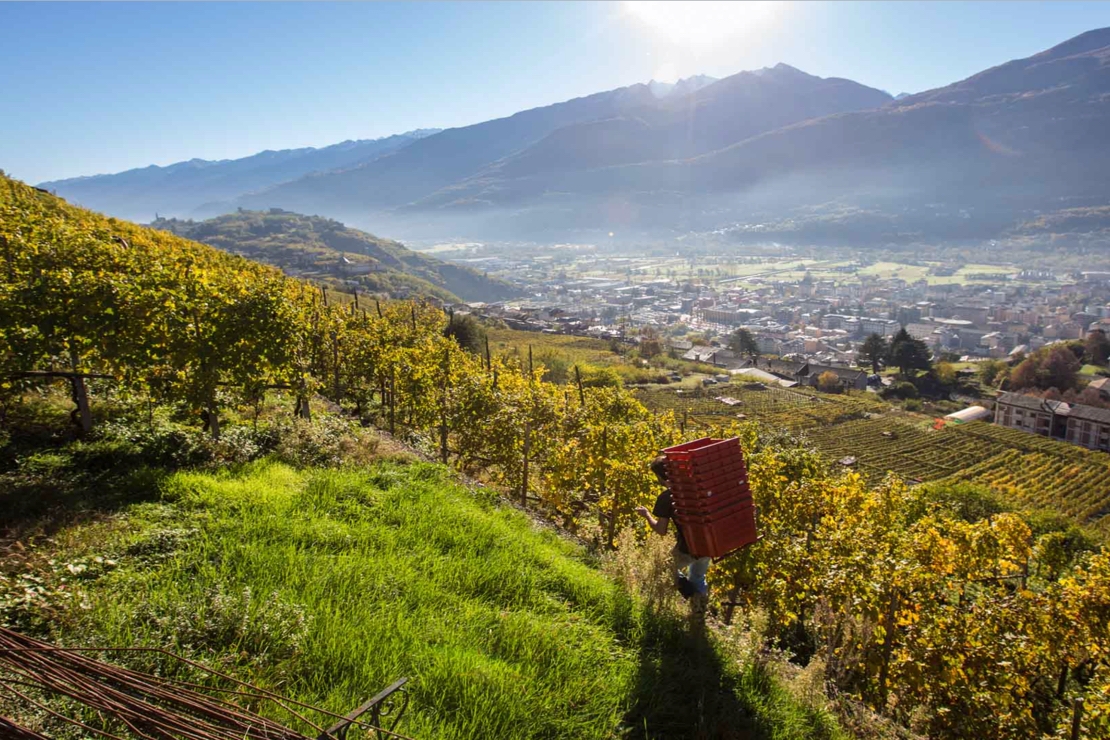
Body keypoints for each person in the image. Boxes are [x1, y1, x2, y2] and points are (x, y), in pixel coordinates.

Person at [634, 455, 711, 624]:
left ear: (661, 477)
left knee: (664, 569)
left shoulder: (666, 498)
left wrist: (646, 515)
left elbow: (661, 530)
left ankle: (694, 597)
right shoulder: (697, 489)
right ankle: (698, 615)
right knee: (698, 577)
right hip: (709, 543)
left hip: (688, 547)